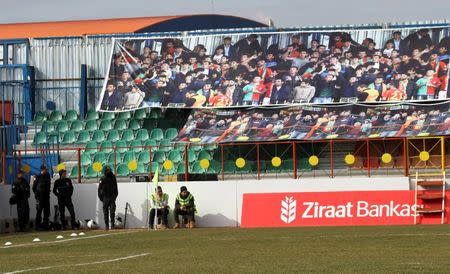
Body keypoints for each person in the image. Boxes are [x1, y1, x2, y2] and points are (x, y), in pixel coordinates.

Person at [32, 165, 51, 230]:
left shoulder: (48, 175)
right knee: (39, 211)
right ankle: (38, 226)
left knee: (47, 211)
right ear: (42, 170)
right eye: (45, 169)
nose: (47, 170)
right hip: (40, 197)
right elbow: (34, 188)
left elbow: (49, 186)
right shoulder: (38, 176)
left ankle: (45, 225)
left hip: (46, 196)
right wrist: (37, 196)